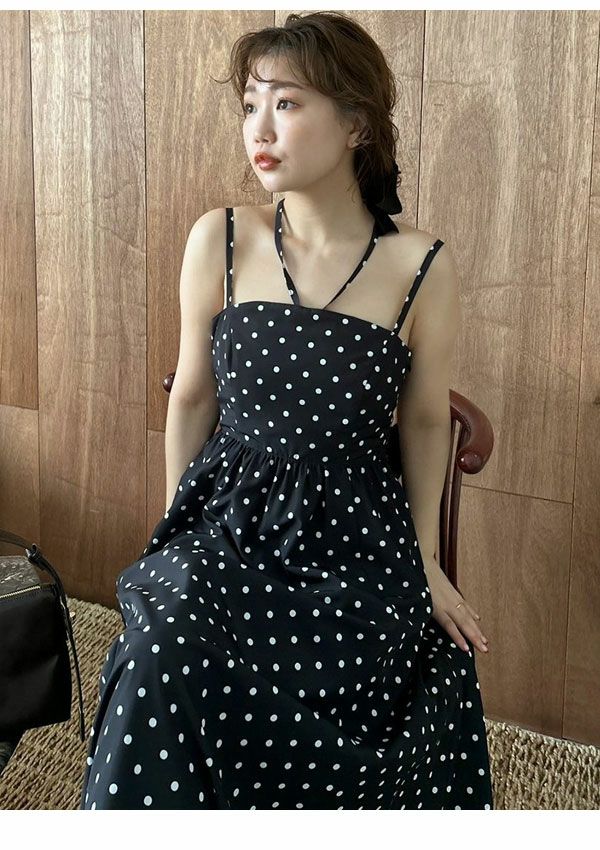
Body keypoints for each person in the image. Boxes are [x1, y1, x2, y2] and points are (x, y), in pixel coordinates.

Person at [80, 10, 493, 810]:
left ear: (356, 124)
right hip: (229, 521)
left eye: (287, 103)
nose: (259, 129)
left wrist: (424, 561)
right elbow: (193, 394)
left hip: (354, 536)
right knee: (165, 642)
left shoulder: (420, 266)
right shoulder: (221, 239)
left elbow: (421, 421)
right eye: (250, 105)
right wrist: (174, 527)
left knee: (391, 667)